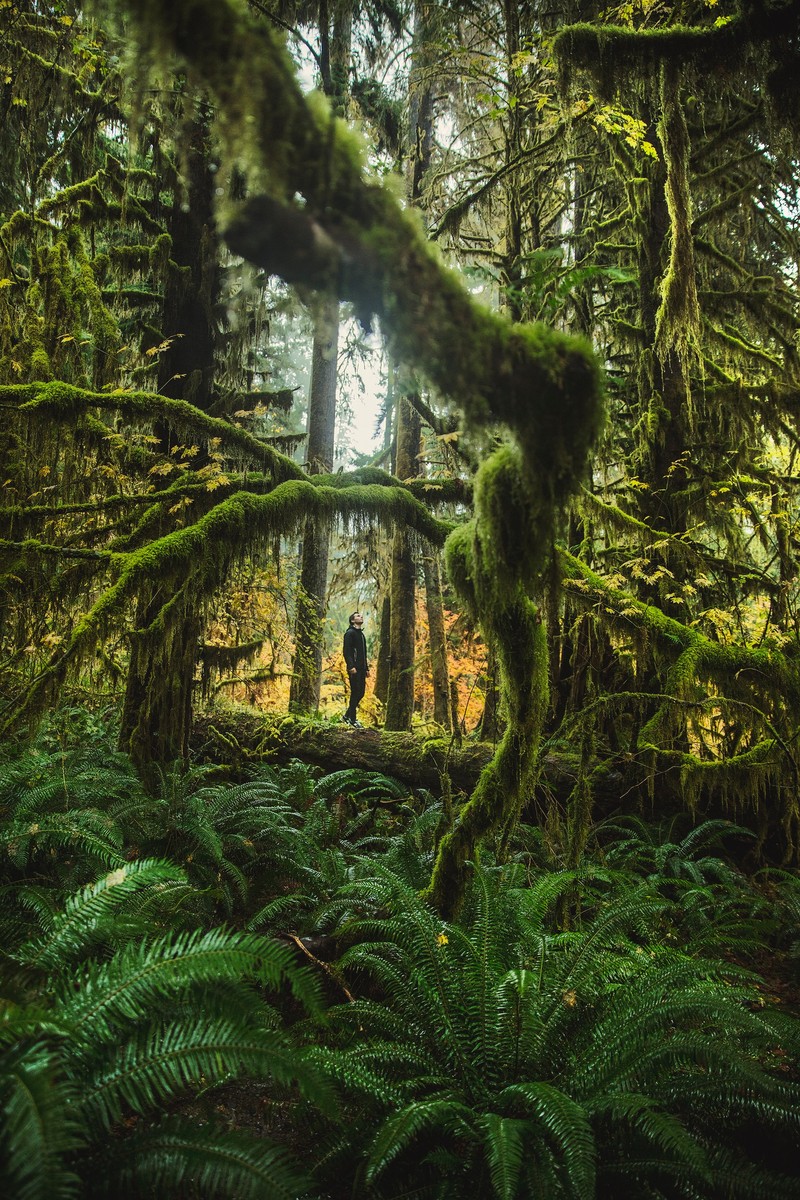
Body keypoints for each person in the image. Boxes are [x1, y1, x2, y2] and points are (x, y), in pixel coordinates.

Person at [342, 611, 369, 727]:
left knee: (361, 693)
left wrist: (366, 668)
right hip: (354, 669)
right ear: (353, 620)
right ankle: (352, 720)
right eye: (358, 616)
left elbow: (364, 653)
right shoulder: (350, 633)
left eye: (361, 616)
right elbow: (347, 651)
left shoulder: (361, 635)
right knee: (355, 693)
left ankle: (347, 716)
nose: (361, 617)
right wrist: (351, 666)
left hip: (362, 669)